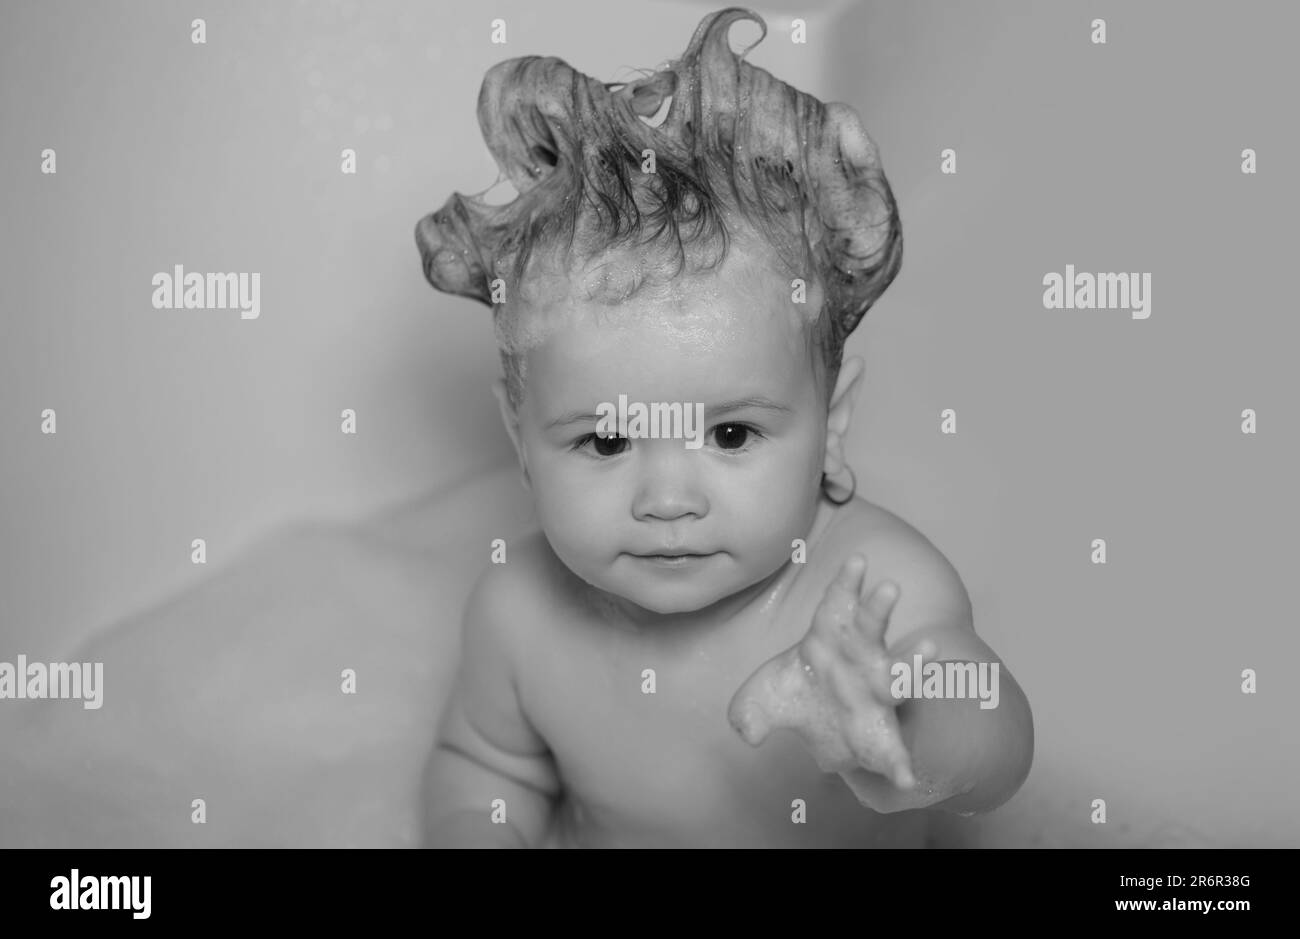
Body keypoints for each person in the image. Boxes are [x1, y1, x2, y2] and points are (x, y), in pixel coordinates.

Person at [414, 6, 1032, 847]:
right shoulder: (517, 613)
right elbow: (488, 765)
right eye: (606, 440)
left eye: (732, 435)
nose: (668, 500)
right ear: (520, 436)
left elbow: (994, 739)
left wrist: (901, 730)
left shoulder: (870, 588)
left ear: (833, 421)